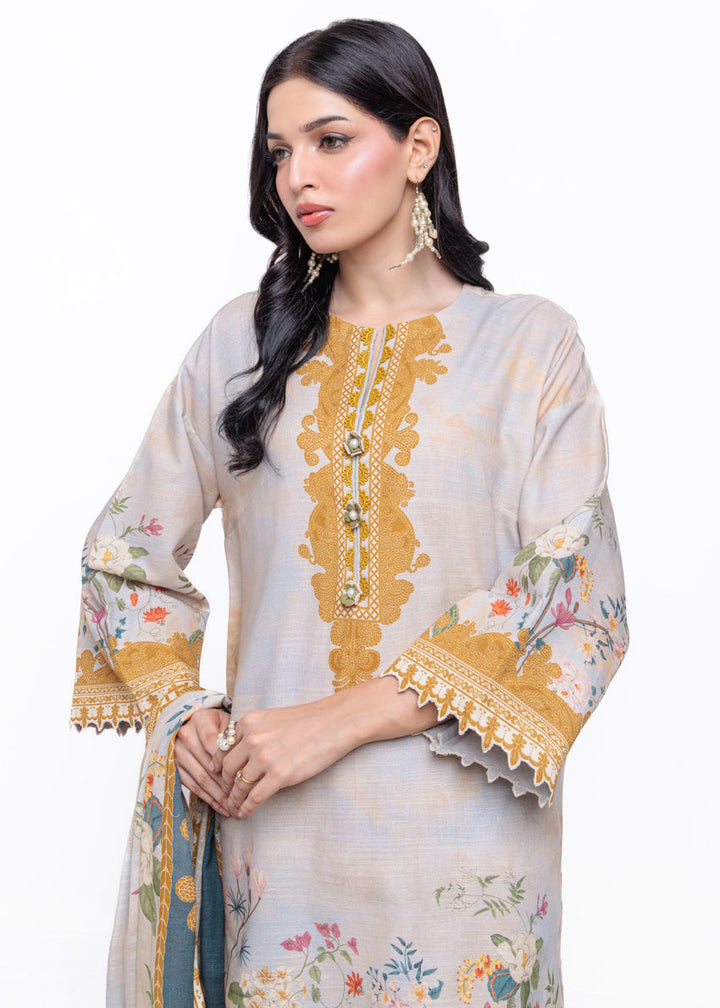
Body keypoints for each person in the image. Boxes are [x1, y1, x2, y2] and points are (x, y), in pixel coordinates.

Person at [72, 18, 628, 1008]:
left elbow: (572, 601)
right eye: (279, 152)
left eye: (331, 140)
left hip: (466, 850)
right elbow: (125, 554)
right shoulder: (241, 344)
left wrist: (331, 723)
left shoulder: (528, 346)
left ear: (418, 148)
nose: (299, 177)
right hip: (276, 838)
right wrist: (182, 710)